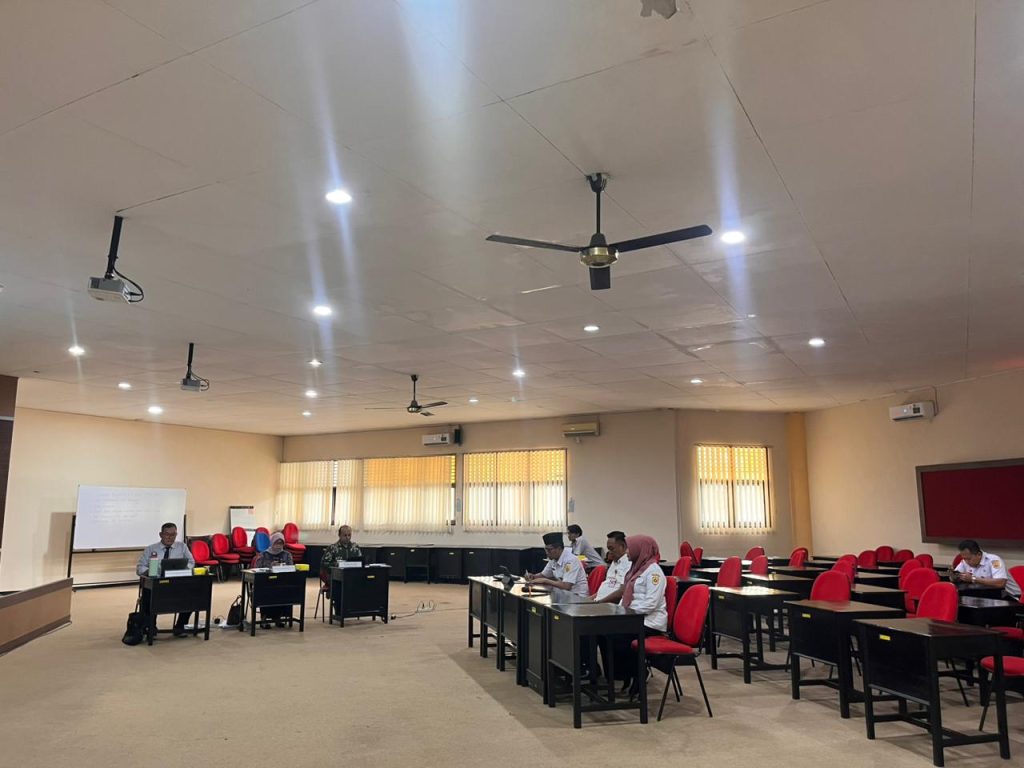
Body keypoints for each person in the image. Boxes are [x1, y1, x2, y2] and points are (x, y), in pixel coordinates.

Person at [612, 534, 668, 695]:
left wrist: (628, 614)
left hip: (650, 621)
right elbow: (626, 597)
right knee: (606, 633)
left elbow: (651, 603)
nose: (627, 552)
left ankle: (638, 673)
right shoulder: (635, 570)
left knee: (619, 636)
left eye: (630, 549)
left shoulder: (654, 572)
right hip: (633, 617)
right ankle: (621, 676)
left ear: (640, 550)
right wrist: (620, 612)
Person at [135, 522, 195, 637]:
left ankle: (180, 626)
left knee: (192, 597)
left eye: (173, 535)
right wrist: (150, 572)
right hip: (156, 584)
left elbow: (191, 562)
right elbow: (140, 568)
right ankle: (151, 626)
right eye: (167, 534)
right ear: (161, 535)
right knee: (147, 598)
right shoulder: (151, 549)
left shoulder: (182, 547)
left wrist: (182, 570)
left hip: (177, 583)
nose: (170, 537)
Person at [250, 532, 295, 627]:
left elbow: (291, 569)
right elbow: (257, 569)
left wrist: (282, 567)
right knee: (266, 591)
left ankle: (278, 618)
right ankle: (264, 619)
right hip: (266, 583)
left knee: (285, 591)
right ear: (272, 542)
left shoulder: (287, 555)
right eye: (276, 543)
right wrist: (270, 567)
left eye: (281, 543)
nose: (279, 545)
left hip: (282, 583)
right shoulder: (263, 555)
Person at [951, 539, 1021, 598]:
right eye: (964, 558)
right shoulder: (964, 561)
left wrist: (973, 579)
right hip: (987, 595)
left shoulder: (994, 560)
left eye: (969, 559)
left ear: (978, 554)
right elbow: (955, 575)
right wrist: (955, 577)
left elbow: (1001, 583)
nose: (966, 561)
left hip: (1011, 597)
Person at [526, 532, 589, 597]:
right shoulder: (553, 559)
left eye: (549, 550)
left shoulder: (570, 561)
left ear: (559, 548)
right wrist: (533, 576)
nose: (547, 553)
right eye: (546, 549)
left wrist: (546, 581)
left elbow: (566, 586)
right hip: (564, 594)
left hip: (578, 596)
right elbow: (543, 575)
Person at [594, 530, 631, 603]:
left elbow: (621, 593)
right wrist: (587, 600)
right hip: (599, 602)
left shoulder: (628, 563)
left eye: (612, 549)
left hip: (609, 605)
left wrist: (598, 602)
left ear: (623, 546)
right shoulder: (614, 562)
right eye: (608, 549)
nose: (609, 552)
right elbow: (607, 586)